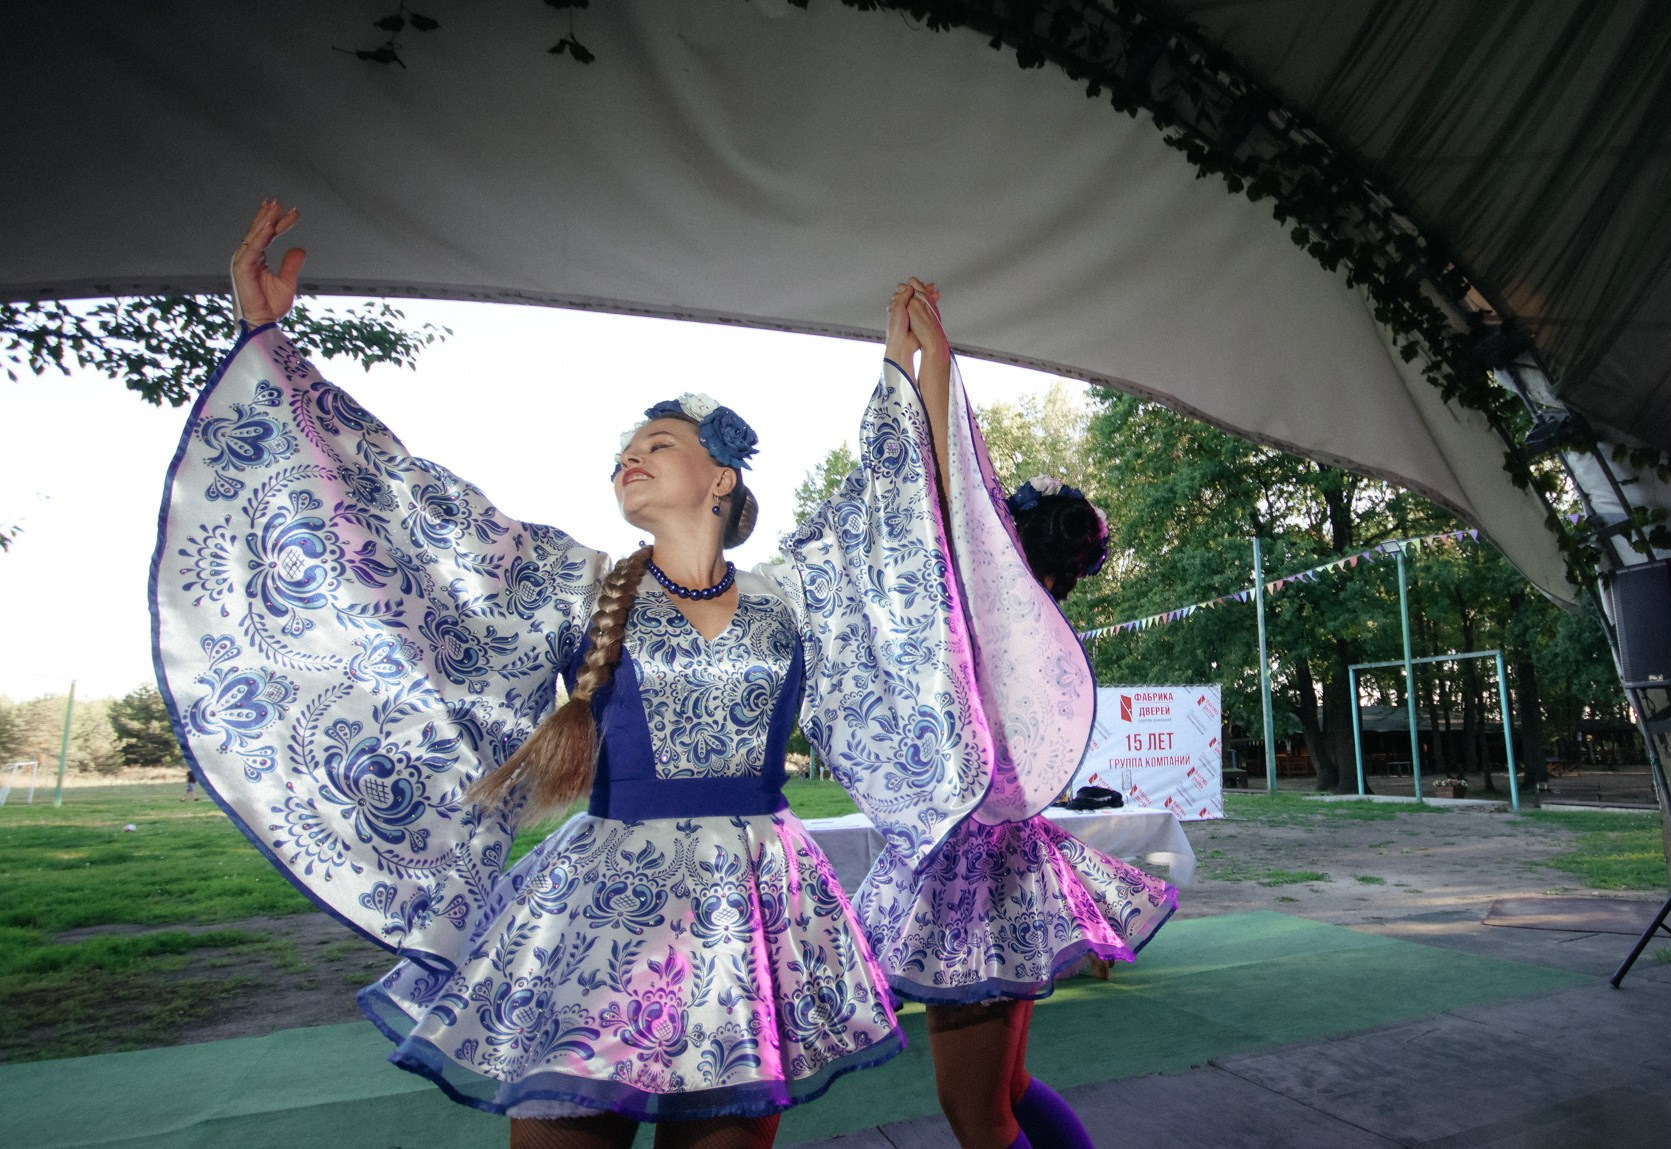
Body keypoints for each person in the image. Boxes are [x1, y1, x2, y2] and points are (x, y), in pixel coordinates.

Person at [152, 201, 1050, 1148]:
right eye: (625, 451)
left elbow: (906, 508)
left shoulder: (798, 591)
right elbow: (405, 507)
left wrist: (925, 374)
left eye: (658, 444)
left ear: (722, 480)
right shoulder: (568, 581)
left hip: (748, 914)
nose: (631, 456)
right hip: (596, 910)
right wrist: (271, 344)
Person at [848, 321, 1178, 1148]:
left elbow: (940, 477)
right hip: (1002, 865)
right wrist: (931, 360)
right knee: (1008, 1089)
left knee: (979, 1113)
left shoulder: (985, 615)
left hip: (974, 877)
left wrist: (919, 359)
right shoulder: (1032, 627)